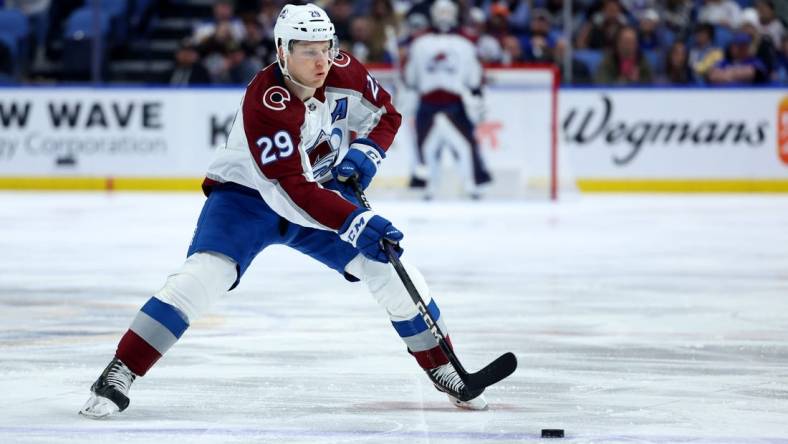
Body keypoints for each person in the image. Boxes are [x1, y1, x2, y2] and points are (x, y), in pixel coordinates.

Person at [79, 3, 487, 419]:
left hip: (316, 196)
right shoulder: (266, 101)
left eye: (326, 47)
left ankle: (443, 366)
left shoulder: (342, 70)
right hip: (247, 200)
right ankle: (120, 370)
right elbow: (290, 189)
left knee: (390, 269)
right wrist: (354, 220)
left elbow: (387, 114)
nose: (321, 60)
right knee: (203, 276)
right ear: (281, 51)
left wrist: (366, 154)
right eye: (307, 50)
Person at [403, 0, 492, 199]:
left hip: (453, 103)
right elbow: (411, 79)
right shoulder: (421, 43)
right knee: (425, 146)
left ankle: (473, 184)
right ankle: (426, 185)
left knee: (464, 146)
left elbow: (473, 79)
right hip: (430, 102)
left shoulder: (462, 44)